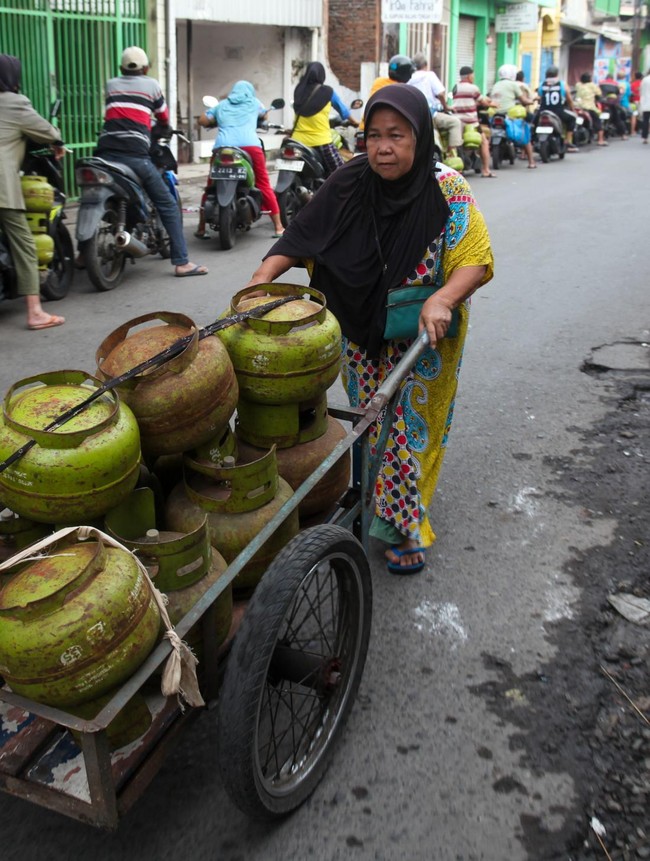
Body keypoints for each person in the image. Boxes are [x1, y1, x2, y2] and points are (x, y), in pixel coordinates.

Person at [245, 85, 493, 574]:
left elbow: (475, 260)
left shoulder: (450, 187)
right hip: (356, 326)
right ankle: (389, 505)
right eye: (374, 136)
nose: (383, 147)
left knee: (408, 428)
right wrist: (258, 282)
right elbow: (302, 235)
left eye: (397, 136)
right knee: (374, 421)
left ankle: (407, 525)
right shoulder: (349, 179)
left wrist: (443, 298)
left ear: (420, 138)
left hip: (425, 330)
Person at [93, 46, 206, 277]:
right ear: (146, 68)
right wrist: (162, 127)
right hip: (134, 155)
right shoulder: (152, 85)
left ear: (120, 68)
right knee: (168, 205)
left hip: (103, 153)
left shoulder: (111, 84)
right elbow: (163, 117)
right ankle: (182, 262)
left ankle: (82, 254)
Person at [0, 54, 66, 330]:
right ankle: (35, 312)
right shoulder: (15, 103)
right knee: (25, 247)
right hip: (3, 187)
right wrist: (58, 142)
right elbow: (47, 130)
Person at [196, 81, 284, 238]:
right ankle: (278, 227)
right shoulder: (254, 103)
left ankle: (201, 228)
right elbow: (265, 115)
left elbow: (203, 120)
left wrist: (215, 119)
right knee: (263, 184)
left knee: (211, 186)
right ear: (250, 93)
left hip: (222, 148)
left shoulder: (221, 105)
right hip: (250, 147)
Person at [291, 61, 358, 177]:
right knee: (341, 175)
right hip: (320, 141)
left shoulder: (299, 90)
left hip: (297, 141)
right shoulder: (328, 92)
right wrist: (356, 122)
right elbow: (344, 111)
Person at [408, 52, 463, 156]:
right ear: (425, 64)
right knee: (455, 122)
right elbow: (441, 94)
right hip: (431, 115)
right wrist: (446, 107)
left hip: (414, 116)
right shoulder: (429, 75)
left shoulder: (409, 78)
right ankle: (451, 154)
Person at [451, 66, 498, 177]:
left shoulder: (455, 87)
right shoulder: (473, 88)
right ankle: (486, 170)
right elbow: (484, 102)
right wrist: (494, 104)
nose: (473, 77)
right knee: (484, 143)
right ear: (468, 76)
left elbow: (462, 100)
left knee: (457, 145)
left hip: (457, 120)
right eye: (472, 75)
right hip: (471, 122)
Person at [490, 64, 537, 168]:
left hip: (495, 114)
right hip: (509, 114)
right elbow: (523, 100)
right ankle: (531, 162)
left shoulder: (496, 84)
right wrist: (531, 101)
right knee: (525, 134)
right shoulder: (513, 85)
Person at [537, 65, 579, 152]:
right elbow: (570, 100)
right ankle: (568, 141)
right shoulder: (562, 84)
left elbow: (540, 98)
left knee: (533, 124)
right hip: (558, 112)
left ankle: (531, 142)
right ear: (556, 74)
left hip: (543, 111)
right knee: (572, 119)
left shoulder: (542, 84)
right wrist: (573, 110)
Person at [575, 73, 607, 146]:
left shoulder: (578, 85)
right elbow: (599, 93)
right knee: (598, 122)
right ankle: (600, 140)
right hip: (589, 107)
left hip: (578, 106)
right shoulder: (592, 85)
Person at [598, 72, 629, 139]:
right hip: (612, 104)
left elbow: (598, 93)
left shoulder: (601, 83)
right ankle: (623, 134)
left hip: (602, 103)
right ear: (612, 78)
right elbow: (618, 93)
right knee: (617, 118)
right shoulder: (616, 84)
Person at [640, 69, 650, 144]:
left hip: (646, 103)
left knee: (645, 120)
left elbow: (641, 91)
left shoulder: (645, 79)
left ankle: (645, 138)